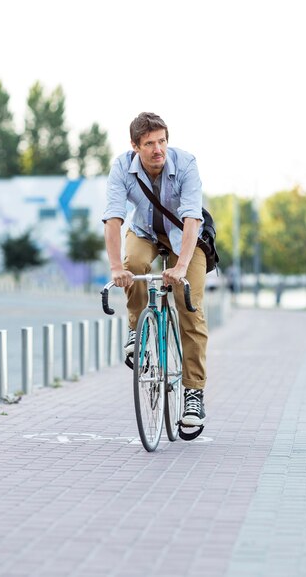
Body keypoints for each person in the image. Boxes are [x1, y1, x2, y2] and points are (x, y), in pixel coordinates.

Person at [102, 112, 207, 427]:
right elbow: (113, 218)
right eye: (149, 143)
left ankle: (193, 395)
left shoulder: (186, 164)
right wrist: (116, 268)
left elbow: (192, 218)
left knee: (190, 307)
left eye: (161, 141)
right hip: (144, 233)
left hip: (185, 238)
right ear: (135, 146)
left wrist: (182, 266)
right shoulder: (121, 168)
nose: (157, 148)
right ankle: (137, 329)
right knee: (133, 265)